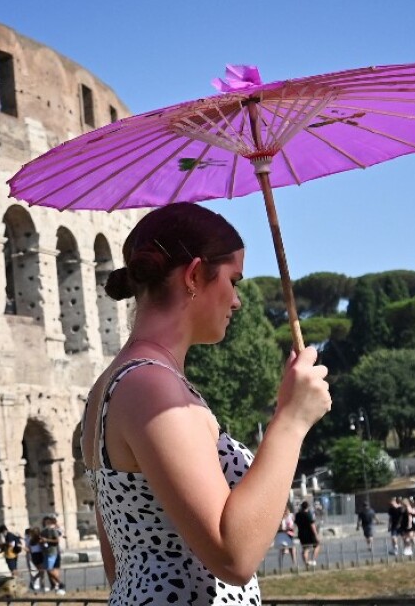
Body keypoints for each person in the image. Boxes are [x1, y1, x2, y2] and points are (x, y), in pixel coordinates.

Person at [80, 203, 331, 605]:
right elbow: (233, 554)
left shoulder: (113, 384)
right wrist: (292, 420)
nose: (237, 301)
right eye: (233, 280)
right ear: (195, 275)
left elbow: (121, 559)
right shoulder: (151, 386)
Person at [39, 517, 65, 594]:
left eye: (48, 522)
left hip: (53, 552)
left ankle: (60, 583)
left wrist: (46, 540)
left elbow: (57, 540)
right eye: (45, 522)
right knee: (48, 570)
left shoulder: (53, 530)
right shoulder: (43, 531)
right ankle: (55, 585)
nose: (46, 524)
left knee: (50, 569)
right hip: (46, 552)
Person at [295, 501, 321, 566]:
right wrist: (316, 535)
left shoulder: (298, 515)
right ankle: (313, 560)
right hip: (310, 534)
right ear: (307, 507)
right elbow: (312, 525)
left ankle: (306, 563)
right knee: (317, 545)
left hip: (301, 534)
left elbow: (295, 523)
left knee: (305, 549)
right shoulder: (308, 514)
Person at [274, 503, 297, 568]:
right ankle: (281, 566)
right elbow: (281, 528)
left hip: (289, 535)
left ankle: (294, 564)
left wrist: (291, 528)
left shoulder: (290, 516)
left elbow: (293, 525)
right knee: (284, 549)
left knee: (292, 549)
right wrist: (287, 529)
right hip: (282, 536)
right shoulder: (280, 518)